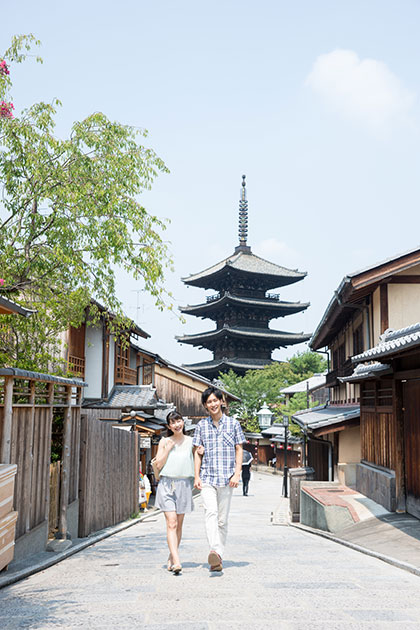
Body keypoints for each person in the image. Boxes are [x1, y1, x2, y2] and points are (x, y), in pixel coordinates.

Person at [193, 386, 245, 572]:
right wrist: (197, 476)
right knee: (211, 513)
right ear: (205, 406)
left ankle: (218, 557)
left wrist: (237, 473)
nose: (213, 404)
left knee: (222, 520)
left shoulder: (233, 424)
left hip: (227, 478)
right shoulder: (201, 426)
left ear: (222, 401)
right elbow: (197, 452)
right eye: (209, 402)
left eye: (216, 400)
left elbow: (239, 449)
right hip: (208, 477)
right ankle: (214, 549)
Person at [154, 411, 198, 575]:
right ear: (169, 426)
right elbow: (158, 464)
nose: (177, 424)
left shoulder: (191, 441)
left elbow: (197, 460)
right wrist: (167, 449)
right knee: (171, 523)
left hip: (184, 484)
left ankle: (172, 557)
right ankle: (177, 561)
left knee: (178, 525)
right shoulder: (164, 441)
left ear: (183, 422)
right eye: (173, 422)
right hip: (167, 484)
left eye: (178, 420)